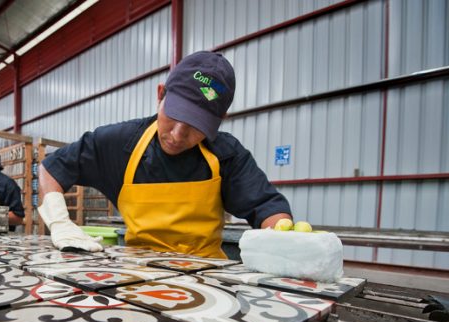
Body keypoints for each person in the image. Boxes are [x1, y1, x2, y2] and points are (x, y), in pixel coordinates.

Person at [37, 51, 292, 258]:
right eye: (175, 115)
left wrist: (283, 239)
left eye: (196, 125)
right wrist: (60, 222)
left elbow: (268, 209)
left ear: (220, 120)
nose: (178, 135)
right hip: (137, 277)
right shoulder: (119, 144)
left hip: (209, 280)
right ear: (161, 94)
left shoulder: (227, 155)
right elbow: (51, 167)